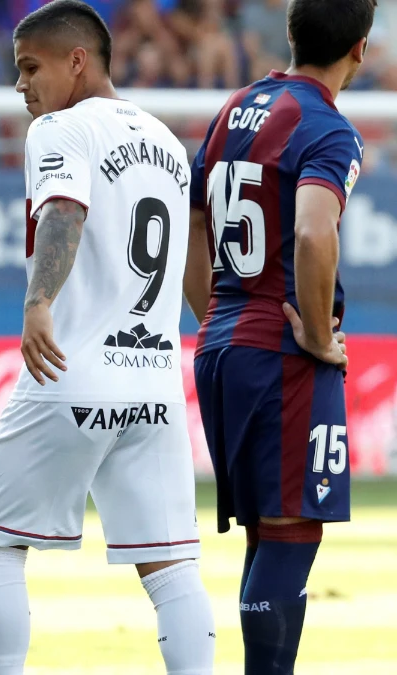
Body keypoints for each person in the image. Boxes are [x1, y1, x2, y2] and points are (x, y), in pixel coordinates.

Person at [0, 2, 216, 673]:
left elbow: (63, 210)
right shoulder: (166, 142)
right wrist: (214, 328)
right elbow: (194, 246)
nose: (20, 85)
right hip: (155, 389)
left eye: (30, 67)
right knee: (171, 569)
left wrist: (39, 299)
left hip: (69, 374)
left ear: (77, 60)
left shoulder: (59, 129)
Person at [185, 1, 372, 672]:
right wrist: (319, 336)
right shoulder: (327, 128)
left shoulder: (236, 107)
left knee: (267, 535)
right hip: (282, 355)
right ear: (360, 49)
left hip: (222, 343)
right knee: (292, 534)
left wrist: (220, 315)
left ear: (291, 33)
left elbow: (194, 220)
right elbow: (314, 230)